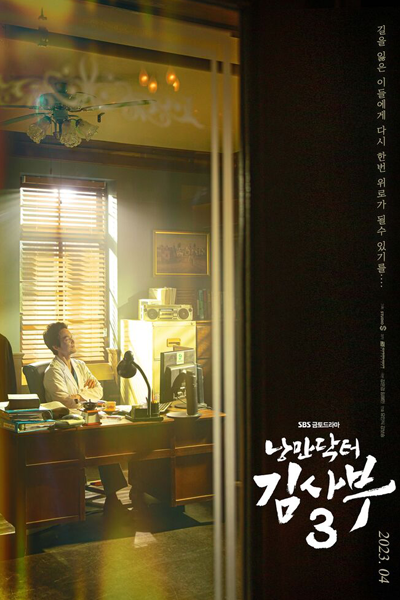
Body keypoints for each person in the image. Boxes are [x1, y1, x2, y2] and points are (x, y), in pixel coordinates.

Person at [43, 322, 129, 517]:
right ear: (56, 346)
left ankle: (113, 498)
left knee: (107, 441)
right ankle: (112, 500)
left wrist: (79, 395)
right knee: (103, 445)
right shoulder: (52, 372)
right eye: (66, 339)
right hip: (66, 428)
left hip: (85, 420)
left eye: (71, 336)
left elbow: (99, 390)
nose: (72, 341)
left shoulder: (80, 365)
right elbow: (66, 401)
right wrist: (84, 394)